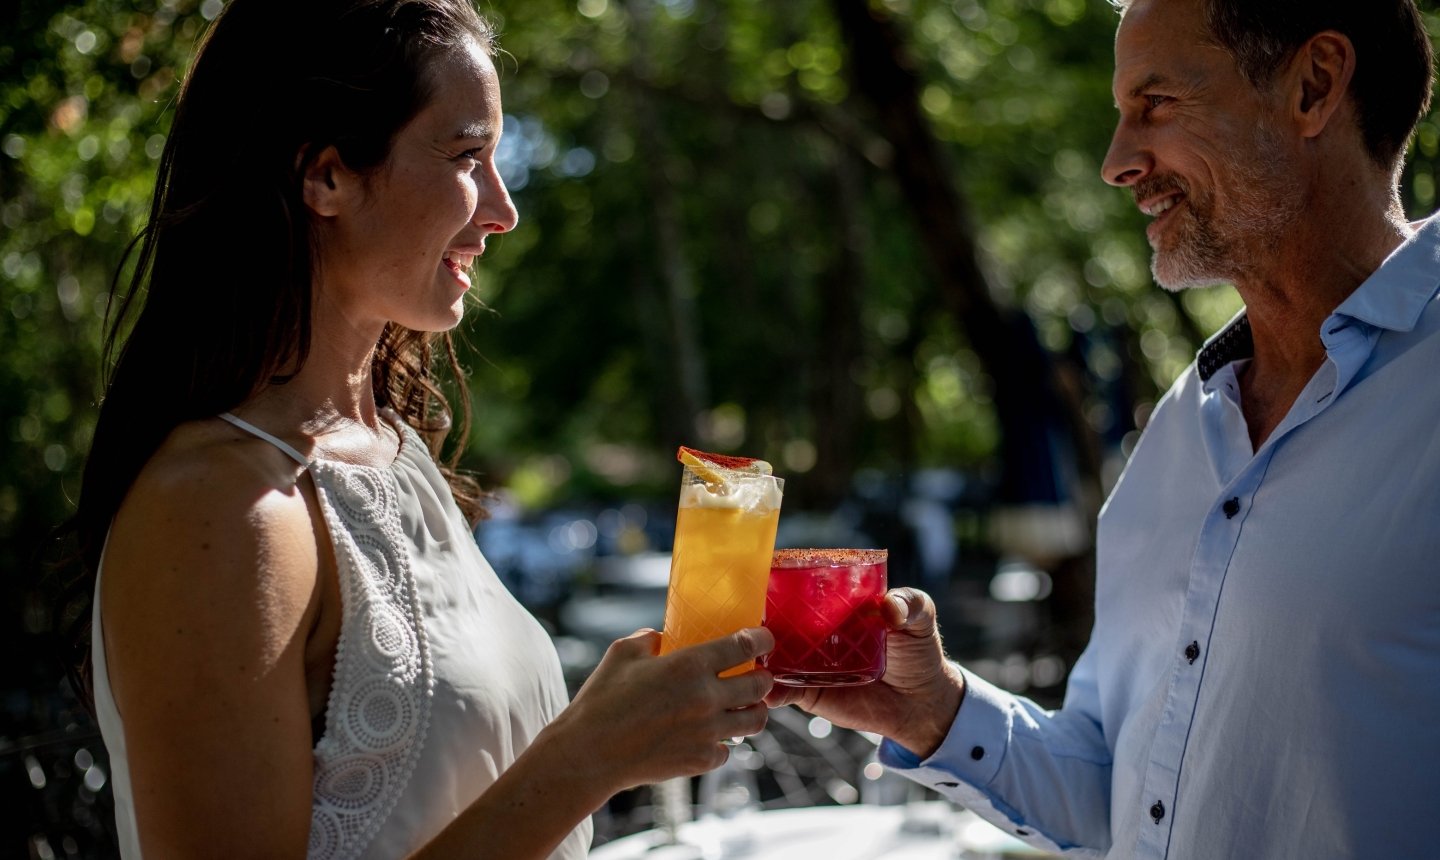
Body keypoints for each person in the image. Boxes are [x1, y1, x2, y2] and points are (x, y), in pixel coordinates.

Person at [64, 1, 775, 857]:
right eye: (468, 156)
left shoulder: (398, 453)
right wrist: (589, 758)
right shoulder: (219, 508)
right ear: (325, 175)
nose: (504, 210)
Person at [769, 1, 1440, 857]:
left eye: (1155, 105)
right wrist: (933, 710)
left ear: (1312, 86)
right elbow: (1126, 797)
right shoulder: (1179, 433)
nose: (1116, 163)